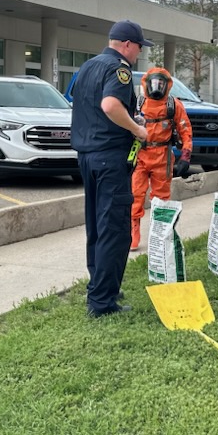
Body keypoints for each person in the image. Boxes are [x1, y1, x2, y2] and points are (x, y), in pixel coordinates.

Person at [70, 19, 151, 318]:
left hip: (87, 156)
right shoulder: (120, 69)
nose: (138, 54)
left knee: (96, 226)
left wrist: (128, 121)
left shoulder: (88, 67)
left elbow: (89, 108)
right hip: (110, 160)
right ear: (128, 45)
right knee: (114, 229)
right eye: (139, 48)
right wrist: (138, 130)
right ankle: (103, 302)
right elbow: (109, 105)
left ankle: (100, 288)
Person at [131, 67, 194, 250]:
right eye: (154, 83)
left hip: (163, 156)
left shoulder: (173, 105)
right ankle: (133, 232)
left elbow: (185, 131)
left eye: (160, 83)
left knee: (161, 198)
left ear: (167, 85)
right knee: (135, 194)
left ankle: (159, 232)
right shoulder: (138, 103)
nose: (156, 87)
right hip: (140, 154)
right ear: (146, 84)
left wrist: (185, 157)